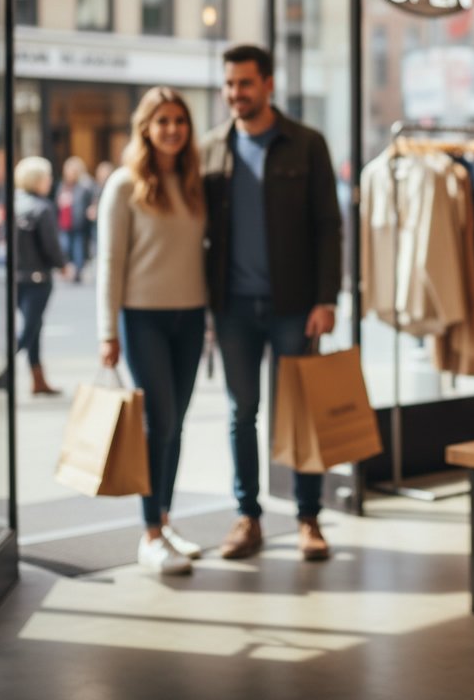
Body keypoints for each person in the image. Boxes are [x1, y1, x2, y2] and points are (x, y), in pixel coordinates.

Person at [201, 44, 342, 562]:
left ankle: (309, 518)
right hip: (233, 308)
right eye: (230, 85)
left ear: (268, 85)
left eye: (245, 83)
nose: (236, 94)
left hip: (294, 305)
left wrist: (327, 298)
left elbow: (329, 226)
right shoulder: (211, 149)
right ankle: (249, 517)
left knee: (300, 412)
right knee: (242, 413)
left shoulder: (306, 144)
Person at [97, 87, 208, 576]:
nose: (172, 129)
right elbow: (108, 261)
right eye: (161, 121)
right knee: (156, 423)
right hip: (142, 318)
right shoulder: (124, 184)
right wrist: (107, 331)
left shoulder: (194, 182)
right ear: (146, 128)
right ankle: (150, 533)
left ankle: (164, 519)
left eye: (179, 121)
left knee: (175, 424)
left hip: (191, 317)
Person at [12, 156, 71, 395]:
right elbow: (51, 245)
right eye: (47, 176)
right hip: (37, 278)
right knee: (30, 329)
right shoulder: (42, 208)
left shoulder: (15, 203)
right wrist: (62, 265)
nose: (50, 181)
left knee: (33, 327)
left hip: (17, 277)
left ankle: (38, 379)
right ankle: (1, 371)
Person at [56, 155, 94, 282]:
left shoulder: (84, 186)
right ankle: (67, 269)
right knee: (65, 247)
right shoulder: (62, 185)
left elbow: (90, 202)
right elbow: (57, 201)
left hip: (78, 222)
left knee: (78, 248)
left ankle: (77, 271)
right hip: (65, 222)